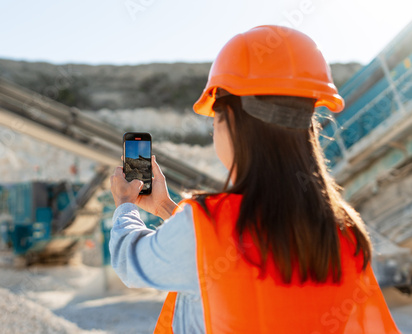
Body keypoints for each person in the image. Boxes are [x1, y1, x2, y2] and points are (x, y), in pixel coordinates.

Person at [109, 25, 400, 333]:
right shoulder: (346, 233)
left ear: (231, 120)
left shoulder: (206, 227)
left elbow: (132, 261)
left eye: (216, 118)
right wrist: (167, 208)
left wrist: (126, 205)